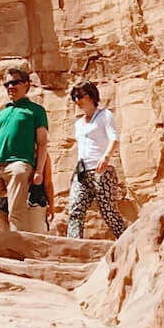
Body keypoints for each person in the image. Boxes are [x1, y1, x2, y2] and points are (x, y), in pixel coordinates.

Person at [0, 62, 51, 234]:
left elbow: (42, 142)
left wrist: (39, 170)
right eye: (7, 84)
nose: (10, 87)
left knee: (16, 212)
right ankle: (13, 236)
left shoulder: (36, 111)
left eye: (15, 82)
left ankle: (19, 250)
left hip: (19, 164)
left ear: (26, 84)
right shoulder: (1, 113)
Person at [64, 82, 126, 239]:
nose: (77, 100)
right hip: (82, 172)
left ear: (91, 96)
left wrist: (106, 157)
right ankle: (73, 245)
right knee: (75, 209)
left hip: (101, 171)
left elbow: (114, 139)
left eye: (80, 96)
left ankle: (127, 242)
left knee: (108, 211)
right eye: (74, 97)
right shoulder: (78, 123)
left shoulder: (105, 115)